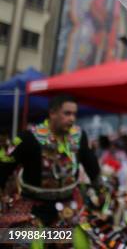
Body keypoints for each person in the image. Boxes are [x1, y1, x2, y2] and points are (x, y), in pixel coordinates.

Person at [0, 94, 100, 229]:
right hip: (32, 208)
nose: (72, 119)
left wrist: (101, 191)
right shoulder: (28, 138)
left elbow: (91, 165)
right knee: (27, 241)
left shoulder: (79, 136)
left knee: (79, 241)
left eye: (74, 114)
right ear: (52, 113)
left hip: (68, 207)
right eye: (67, 113)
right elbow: (3, 169)